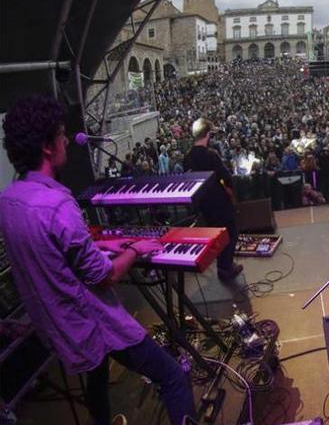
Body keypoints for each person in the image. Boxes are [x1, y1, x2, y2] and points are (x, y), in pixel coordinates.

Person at [0, 95, 196, 425]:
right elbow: (104, 276)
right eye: (61, 134)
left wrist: (108, 241)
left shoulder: (9, 200)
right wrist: (134, 250)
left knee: (97, 384)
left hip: (57, 329)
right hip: (92, 326)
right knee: (174, 378)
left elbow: (52, 251)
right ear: (48, 147)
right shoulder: (58, 206)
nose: (66, 140)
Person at [183, 117, 243, 281]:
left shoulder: (187, 157)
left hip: (203, 204)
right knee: (231, 233)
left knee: (216, 234)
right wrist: (231, 194)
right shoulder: (211, 155)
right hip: (219, 202)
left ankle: (222, 266)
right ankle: (225, 268)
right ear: (207, 134)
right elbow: (227, 178)